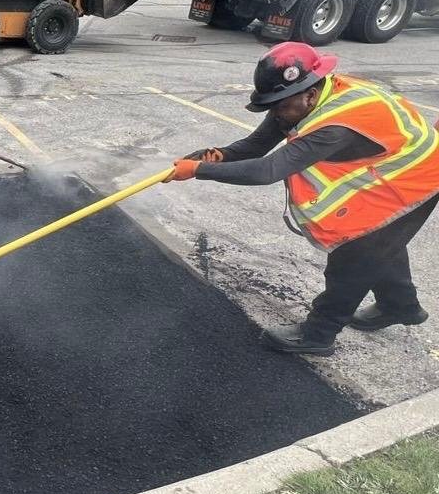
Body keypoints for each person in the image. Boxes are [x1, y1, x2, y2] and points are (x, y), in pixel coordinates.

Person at [170, 42, 439, 355]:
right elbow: (257, 144)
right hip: (390, 170)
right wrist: (218, 156)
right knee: (382, 245)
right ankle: (400, 305)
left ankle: (318, 335)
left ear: (310, 94)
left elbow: (267, 170)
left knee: (355, 257)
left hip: (416, 178)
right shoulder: (299, 99)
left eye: (280, 107)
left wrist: (199, 171)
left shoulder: (337, 125)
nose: (275, 114)